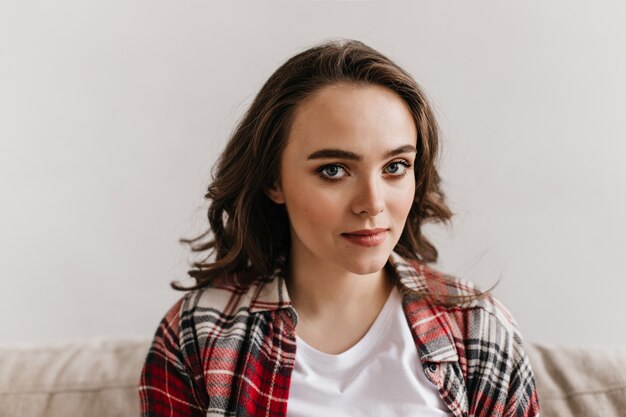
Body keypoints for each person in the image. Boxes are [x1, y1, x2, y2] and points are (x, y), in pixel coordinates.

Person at [138, 39, 540, 417]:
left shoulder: (478, 328)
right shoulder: (198, 333)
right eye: (334, 170)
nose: (372, 203)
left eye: (395, 167)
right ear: (273, 180)